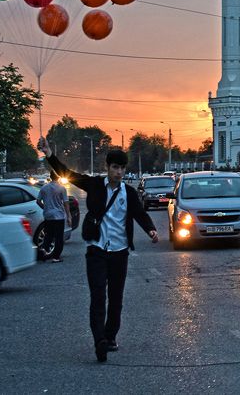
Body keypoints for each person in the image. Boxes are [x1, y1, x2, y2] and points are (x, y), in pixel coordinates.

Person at [38, 137, 157, 363]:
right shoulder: (93, 185)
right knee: (97, 296)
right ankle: (99, 341)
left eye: (122, 168)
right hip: (97, 250)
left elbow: (139, 214)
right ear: (107, 167)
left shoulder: (129, 193)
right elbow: (67, 172)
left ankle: (110, 336)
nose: (119, 172)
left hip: (120, 252)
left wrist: (151, 229)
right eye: (115, 167)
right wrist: (49, 154)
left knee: (116, 298)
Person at [37, 171, 69, 263]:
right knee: (59, 237)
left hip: (48, 215)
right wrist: (69, 215)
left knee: (49, 234)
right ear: (58, 177)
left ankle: (44, 249)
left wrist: (45, 208)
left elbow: (38, 201)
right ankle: (56, 257)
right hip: (59, 215)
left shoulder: (44, 188)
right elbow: (66, 203)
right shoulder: (62, 188)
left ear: (50, 177)